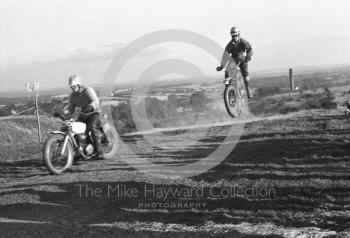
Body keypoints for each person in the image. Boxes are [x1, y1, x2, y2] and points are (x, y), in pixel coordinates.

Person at [58, 75, 104, 159]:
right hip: (83, 115)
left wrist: (90, 107)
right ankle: (79, 151)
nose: (72, 88)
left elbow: (96, 101)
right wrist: (62, 112)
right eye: (71, 86)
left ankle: (100, 151)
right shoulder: (73, 96)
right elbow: (70, 108)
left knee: (92, 127)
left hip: (94, 113)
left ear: (78, 84)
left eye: (73, 86)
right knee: (74, 129)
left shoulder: (88, 90)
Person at [216, 26, 253, 98]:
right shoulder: (229, 45)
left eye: (235, 36)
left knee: (245, 72)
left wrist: (248, 57)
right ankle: (229, 91)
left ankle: (248, 90)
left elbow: (250, 50)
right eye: (232, 36)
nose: (234, 37)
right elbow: (225, 56)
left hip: (243, 59)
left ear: (238, 35)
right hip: (234, 59)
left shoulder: (243, 42)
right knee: (227, 72)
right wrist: (221, 66)